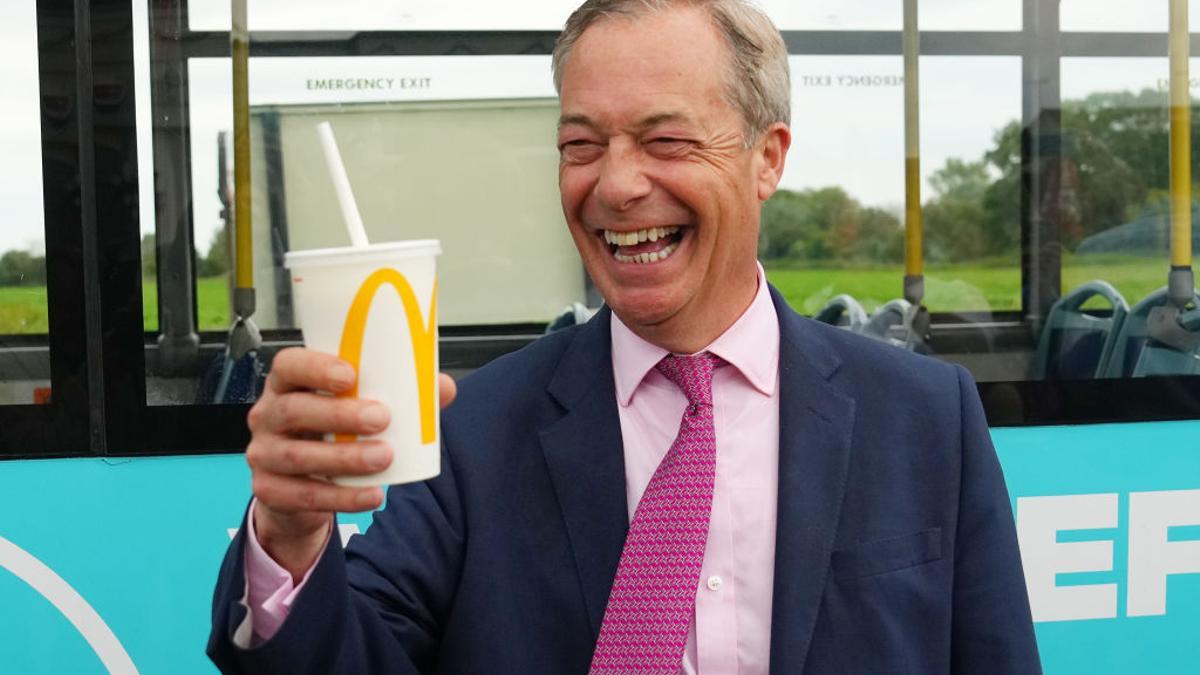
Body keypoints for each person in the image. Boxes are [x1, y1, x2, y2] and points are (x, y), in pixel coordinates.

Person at [208, 1, 1041, 673]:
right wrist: (289, 535)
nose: (615, 183)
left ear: (767, 158)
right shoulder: (474, 430)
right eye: (581, 145)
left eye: (665, 140)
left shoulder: (928, 419)